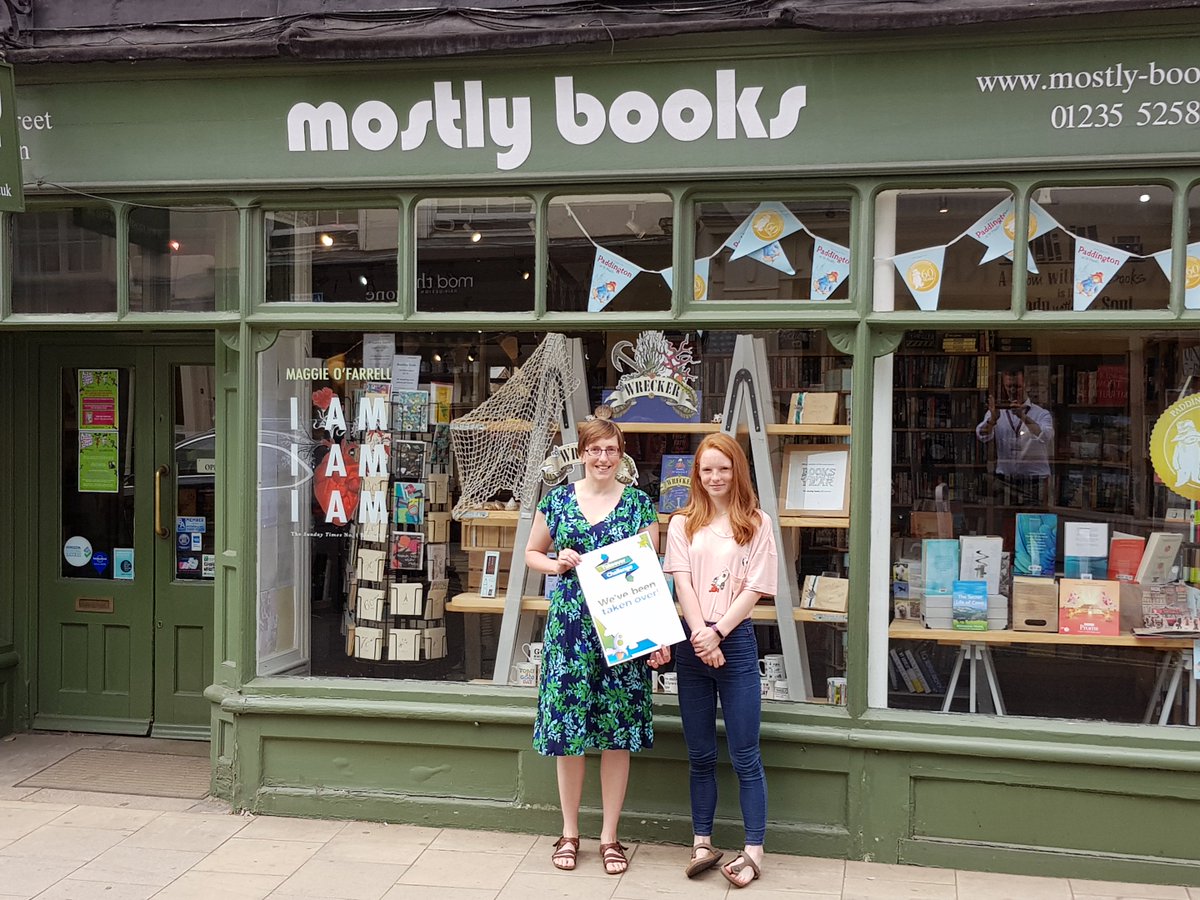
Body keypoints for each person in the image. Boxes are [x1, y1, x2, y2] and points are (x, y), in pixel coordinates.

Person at [524, 414, 667, 876]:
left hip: (622, 631)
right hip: (570, 631)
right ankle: (569, 832)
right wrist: (555, 563)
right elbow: (530, 554)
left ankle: (609, 837)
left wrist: (657, 637)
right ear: (581, 453)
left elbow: (650, 575)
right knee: (569, 736)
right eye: (594, 450)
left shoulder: (639, 505)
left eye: (611, 450)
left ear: (620, 455)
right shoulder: (559, 501)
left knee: (616, 736)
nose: (603, 458)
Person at [662, 432, 778, 889]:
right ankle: (702, 842)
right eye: (706, 469)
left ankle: (753, 850)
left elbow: (754, 588)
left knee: (746, 753)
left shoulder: (756, 522)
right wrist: (699, 635)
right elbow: (682, 584)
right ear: (696, 474)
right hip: (694, 644)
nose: (714, 477)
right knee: (700, 754)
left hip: (736, 640)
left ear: (737, 472)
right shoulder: (681, 523)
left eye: (723, 469)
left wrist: (718, 633)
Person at [976, 368, 1055, 501]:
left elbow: (1046, 437)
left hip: (1035, 480)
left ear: (1026, 386)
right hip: (1005, 480)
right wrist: (992, 421)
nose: (1012, 390)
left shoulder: (1042, 413)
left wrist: (1023, 417)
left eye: (1017, 386)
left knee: (1035, 519)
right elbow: (982, 435)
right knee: (1004, 520)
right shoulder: (997, 412)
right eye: (1009, 386)